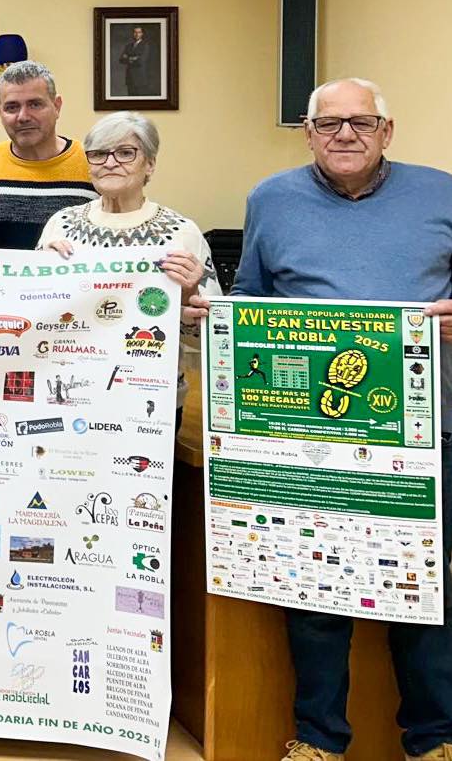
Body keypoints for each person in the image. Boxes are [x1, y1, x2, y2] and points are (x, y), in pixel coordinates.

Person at [188, 78, 452, 761]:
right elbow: (249, 302)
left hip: (422, 430)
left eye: (361, 123)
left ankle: (434, 741)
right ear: (306, 133)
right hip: (308, 433)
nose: (344, 135)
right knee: (312, 588)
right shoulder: (270, 198)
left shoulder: (442, 192)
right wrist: (206, 317)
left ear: (387, 133)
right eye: (327, 124)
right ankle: (317, 740)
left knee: (423, 590)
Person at [36, 111, 219, 430]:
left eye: (125, 153)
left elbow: (211, 340)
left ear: (149, 163)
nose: (109, 162)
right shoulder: (60, 225)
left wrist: (190, 295)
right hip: (69, 394)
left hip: (149, 402)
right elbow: (34, 316)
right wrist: (39, 272)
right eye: (99, 154)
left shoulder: (181, 233)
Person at [0, 60, 96, 249]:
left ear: (57, 106)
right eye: (11, 107)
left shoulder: (95, 163)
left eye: (35, 104)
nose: (23, 117)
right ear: (0, 112)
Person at [119, 25, 154, 96]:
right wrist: (133, 58)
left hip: (140, 79)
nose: (137, 34)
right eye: (135, 32)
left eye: (139, 32)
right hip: (130, 78)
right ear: (133, 33)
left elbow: (140, 61)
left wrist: (128, 57)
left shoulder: (145, 45)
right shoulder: (128, 46)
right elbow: (121, 60)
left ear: (142, 34)